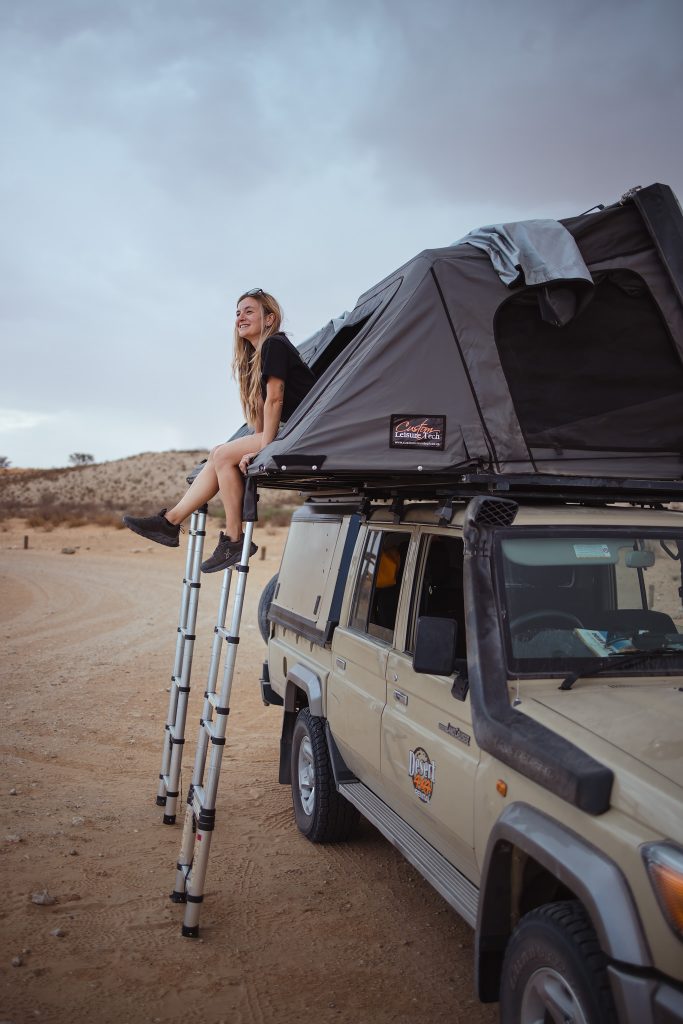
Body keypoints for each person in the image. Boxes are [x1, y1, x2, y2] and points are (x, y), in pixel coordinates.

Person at [123, 289, 315, 573]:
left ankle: (232, 539)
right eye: (237, 313)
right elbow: (261, 414)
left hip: (302, 431)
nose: (240, 317)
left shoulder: (275, 344)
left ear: (269, 318)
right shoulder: (257, 357)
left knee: (223, 454)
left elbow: (275, 400)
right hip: (290, 430)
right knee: (219, 453)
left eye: (249, 311)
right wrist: (255, 444)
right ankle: (170, 522)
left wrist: (264, 449)